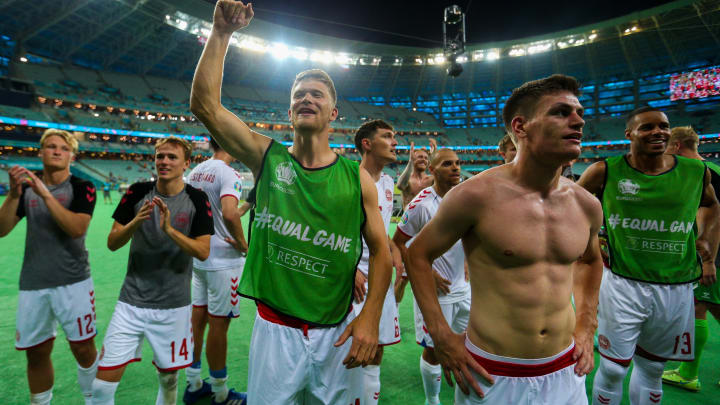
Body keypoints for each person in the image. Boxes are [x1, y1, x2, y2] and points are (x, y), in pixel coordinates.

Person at [189, 2, 392, 404]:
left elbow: (383, 252)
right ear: (289, 109)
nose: (306, 98)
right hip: (274, 329)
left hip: (337, 330)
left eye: (317, 94)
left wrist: (370, 316)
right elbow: (205, 107)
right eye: (299, 94)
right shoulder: (267, 156)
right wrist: (221, 34)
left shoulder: (357, 178)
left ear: (333, 112)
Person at [407, 74, 603, 404]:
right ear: (521, 126)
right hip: (492, 372)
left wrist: (586, 322)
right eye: (560, 112)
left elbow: (590, 259)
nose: (578, 121)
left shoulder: (586, 204)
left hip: (565, 368)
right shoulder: (475, 195)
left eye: (579, 113)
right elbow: (417, 255)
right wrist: (440, 335)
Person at [577, 108, 720, 405]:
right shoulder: (605, 170)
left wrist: (706, 240)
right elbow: (571, 205)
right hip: (622, 283)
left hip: (676, 285)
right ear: (629, 134)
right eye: (648, 127)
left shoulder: (695, 171)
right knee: (615, 368)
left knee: (654, 367)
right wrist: (589, 239)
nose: (658, 132)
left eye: (664, 126)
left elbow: (711, 204)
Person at [91, 136, 214, 405]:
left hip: (173, 306)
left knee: (169, 380)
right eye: (160, 156)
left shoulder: (196, 198)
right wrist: (135, 222)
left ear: (186, 164)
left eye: (172, 157)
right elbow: (113, 243)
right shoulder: (137, 192)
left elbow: (203, 250)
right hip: (130, 303)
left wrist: (170, 231)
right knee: (101, 387)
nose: (164, 162)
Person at [0, 129, 99, 405]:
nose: (57, 151)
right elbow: (1, 229)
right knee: (37, 352)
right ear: (41, 152)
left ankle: (95, 401)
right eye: (51, 147)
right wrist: (13, 195)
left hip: (74, 281)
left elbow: (76, 228)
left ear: (72, 156)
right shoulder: (26, 191)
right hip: (34, 282)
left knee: (83, 348)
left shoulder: (82, 187)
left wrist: (45, 194)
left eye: (63, 148)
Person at [393, 148, 470, 405]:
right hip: (435, 290)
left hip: (465, 288)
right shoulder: (421, 205)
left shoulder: (465, 198)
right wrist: (429, 272)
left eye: (458, 163)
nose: (456, 168)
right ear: (434, 171)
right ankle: (432, 400)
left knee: (471, 343)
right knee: (435, 349)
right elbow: (399, 243)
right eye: (448, 164)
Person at [184, 138, 249, 404]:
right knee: (219, 327)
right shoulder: (229, 173)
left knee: (197, 322)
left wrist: (246, 207)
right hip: (224, 262)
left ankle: (193, 383)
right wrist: (244, 245)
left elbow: (215, 213)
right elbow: (229, 215)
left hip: (200, 258)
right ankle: (221, 394)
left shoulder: (196, 172)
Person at [661, 126, 720, 392]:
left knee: (700, 307)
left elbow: (713, 220)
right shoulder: (710, 170)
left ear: (675, 147)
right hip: (710, 254)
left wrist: (709, 261)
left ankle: (688, 373)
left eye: (665, 146)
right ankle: (687, 372)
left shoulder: (701, 173)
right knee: (704, 307)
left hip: (714, 255)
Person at [353, 119, 403, 404]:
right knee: (351, 350)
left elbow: (379, 227)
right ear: (367, 144)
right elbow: (333, 231)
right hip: (355, 280)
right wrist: (350, 269)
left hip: (379, 278)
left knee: (378, 347)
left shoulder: (387, 182)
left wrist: (393, 250)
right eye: (387, 136)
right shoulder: (349, 177)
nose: (394, 142)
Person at [397, 139, 437, 208]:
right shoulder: (408, 180)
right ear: (413, 159)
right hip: (410, 218)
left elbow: (445, 183)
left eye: (426, 158)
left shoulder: (431, 179)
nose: (423, 159)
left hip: (430, 218)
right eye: (420, 157)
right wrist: (410, 162)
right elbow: (400, 186)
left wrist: (434, 159)